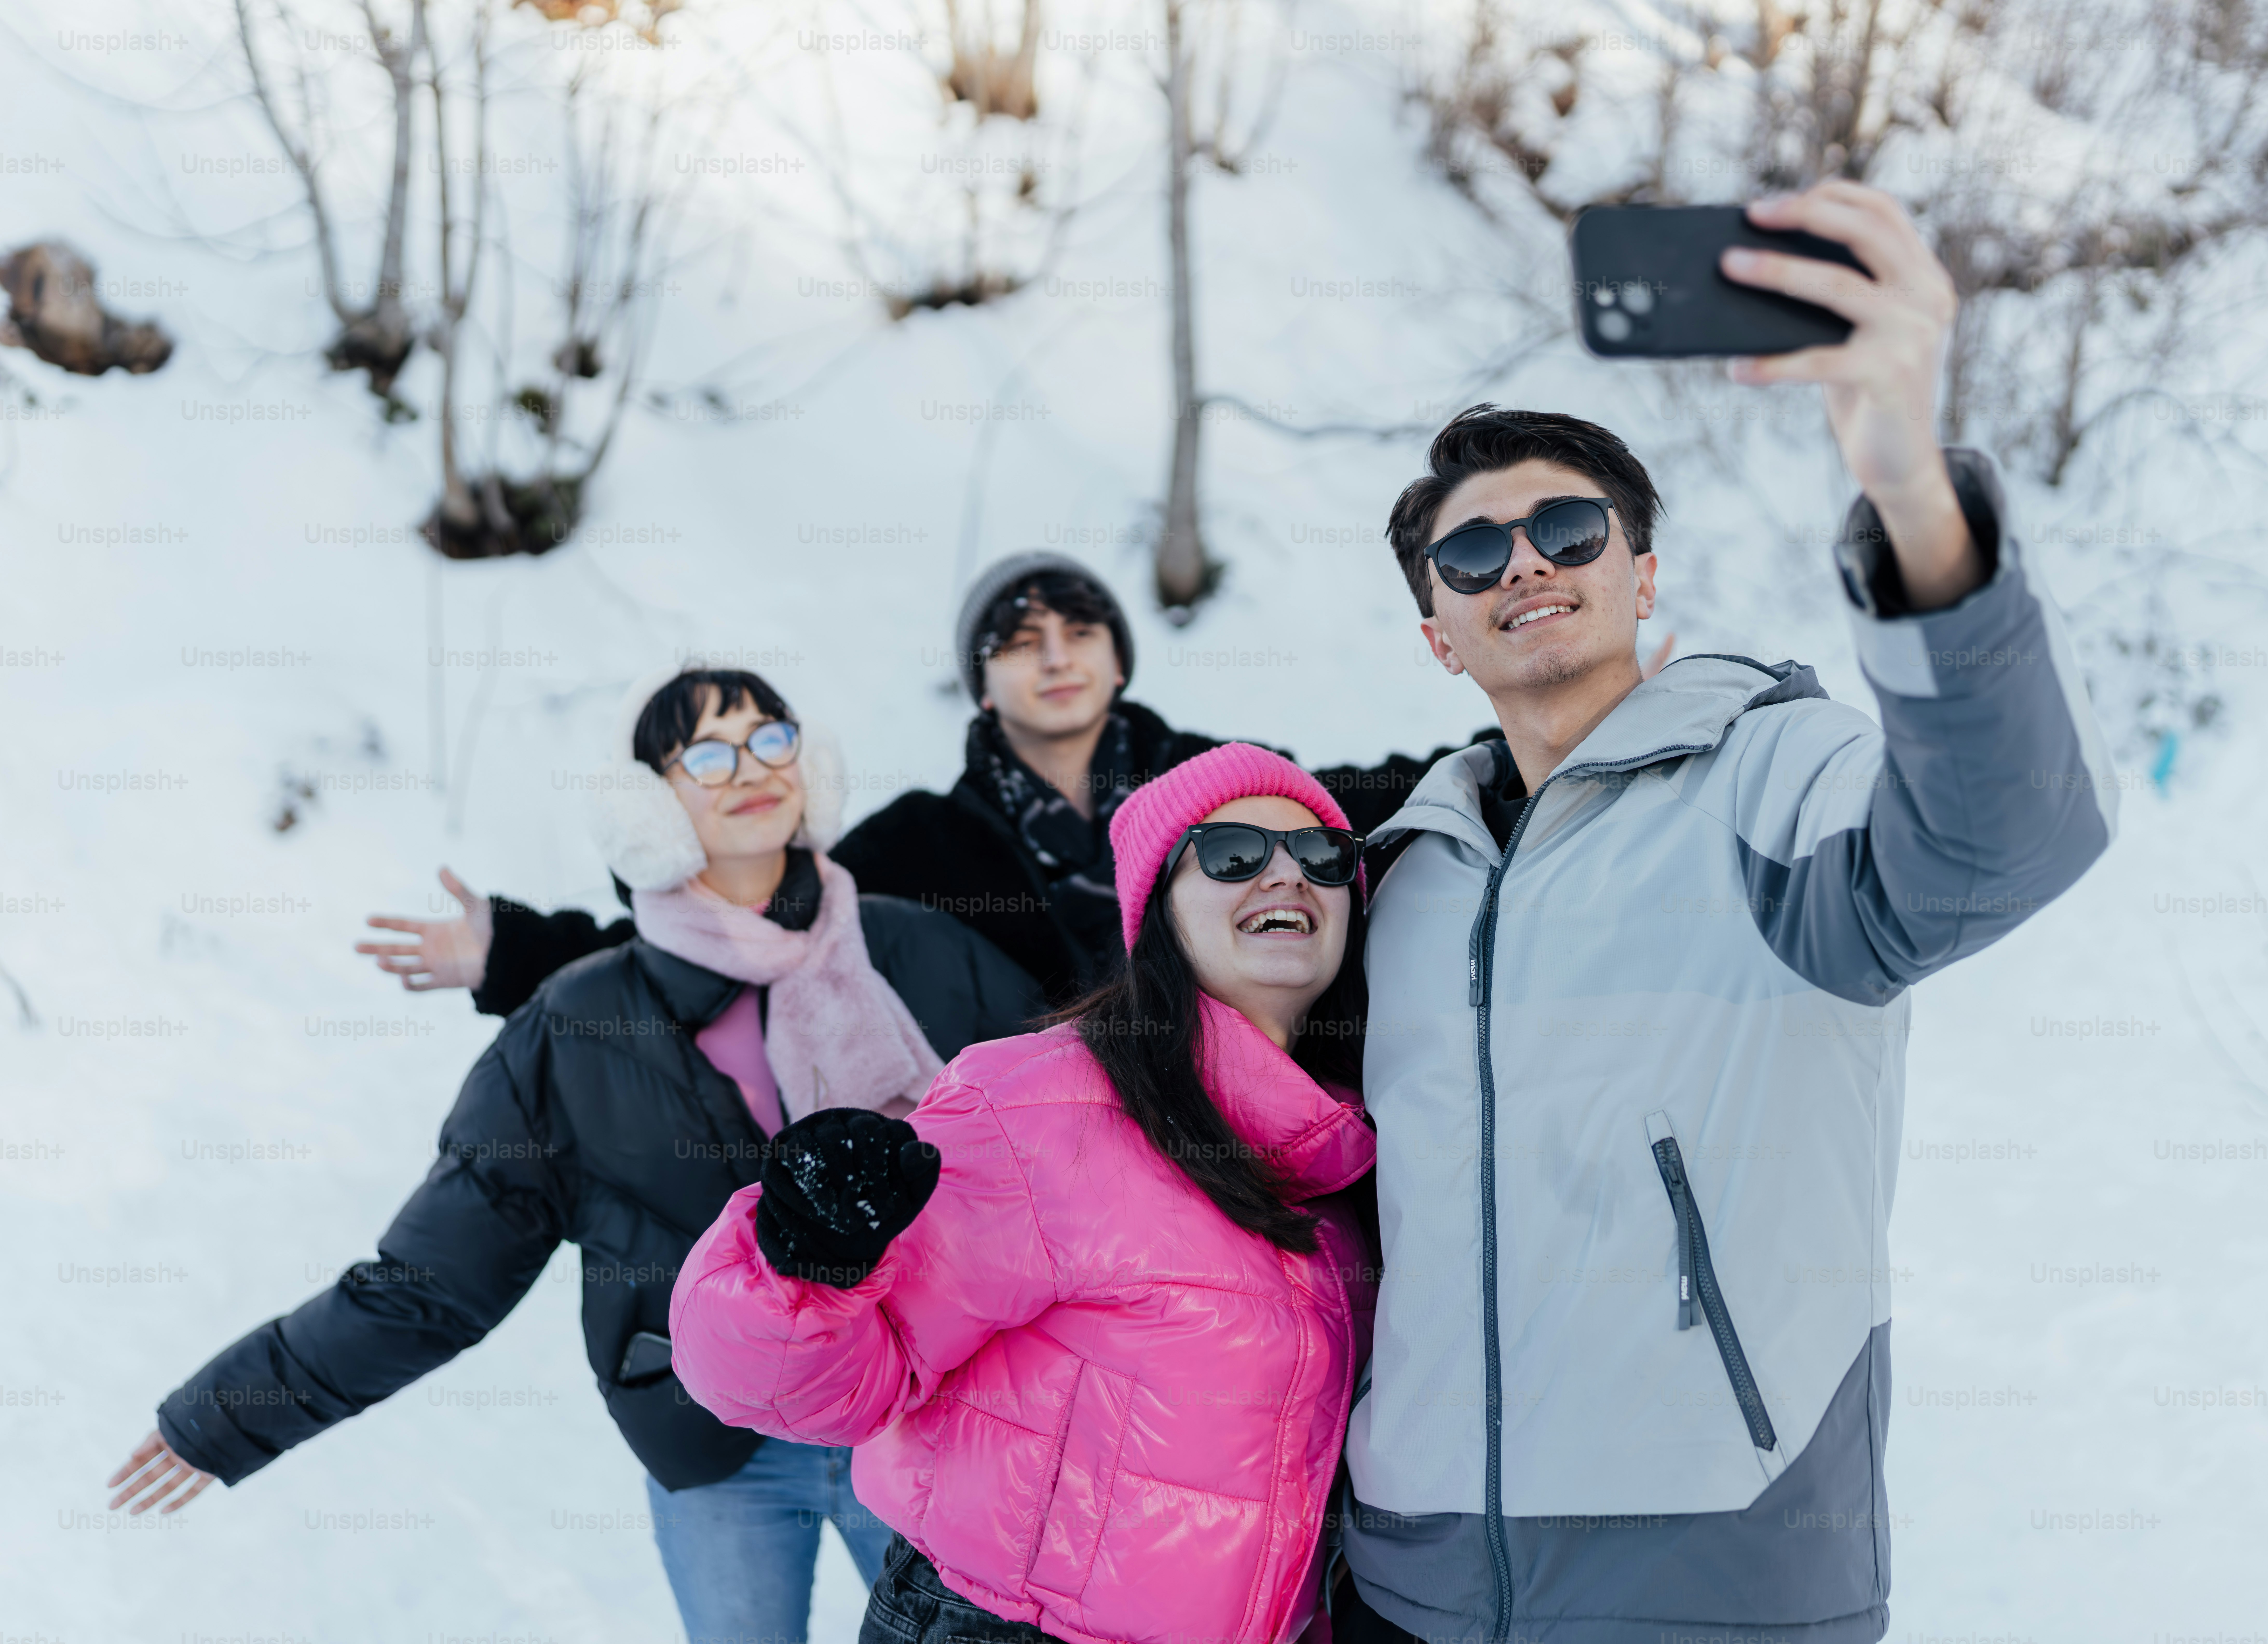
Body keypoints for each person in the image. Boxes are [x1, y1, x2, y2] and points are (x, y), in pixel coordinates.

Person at [1332, 183, 2119, 1644]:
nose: (1527, 563)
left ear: (1643, 573)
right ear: (1438, 635)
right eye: (1473, 552)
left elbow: (1999, 841)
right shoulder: (1405, 876)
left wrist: (1908, 490)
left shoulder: (1769, 774)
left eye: (1570, 526)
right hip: (1412, 1575)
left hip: (1716, 1573)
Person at [109, 667, 1047, 1644]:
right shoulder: (579, 1024)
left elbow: (1078, 1160)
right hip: (713, 1445)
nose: (751, 770)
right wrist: (232, 1410)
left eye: (772, 739)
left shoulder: (921, 950)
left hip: (926, 1418)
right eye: (708, 754)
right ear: (650, 806)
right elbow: (434, 1282)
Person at [667, 742, 1379, 1644]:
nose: (1286, 875)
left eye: (1321, 857)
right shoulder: (1040, 1104)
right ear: (1158, 909)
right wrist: (803, 1262)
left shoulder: (1349, 1154)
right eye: (1235, 854)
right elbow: (801, 1387)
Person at [353, 553, 1555, 1015]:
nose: (1054, 652)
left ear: (1119, 657)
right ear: (983, 686)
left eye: (1079, 629)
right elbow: (743, 920)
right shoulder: (927, 843)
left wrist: (1563, 721)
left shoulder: (1222, 783)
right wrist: (513, 953)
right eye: (1018, 638)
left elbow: (1400, 791)